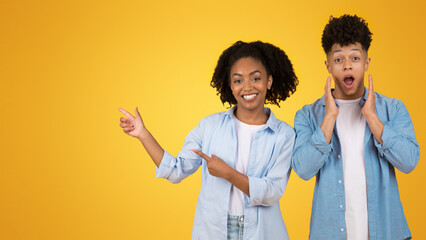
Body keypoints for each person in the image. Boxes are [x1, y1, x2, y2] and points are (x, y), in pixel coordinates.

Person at [119, 41, 298, 240]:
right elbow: (175, 171)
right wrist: (143, 134)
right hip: (214, 231)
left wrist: (228, 173)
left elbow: (271, 192)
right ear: (230, 86)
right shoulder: (209, 127)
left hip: (262, 233)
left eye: (255, 78)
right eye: (238, 80)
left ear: (269, 81)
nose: (247, 87)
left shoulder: (284, 135)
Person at [291, 14, 420, 240]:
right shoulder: (308, 115)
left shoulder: (392, 109)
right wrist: (329, 117)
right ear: (328, 65)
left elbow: (409, 161)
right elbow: (302, 169)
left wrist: (372, 117)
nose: (347, 65)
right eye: (339, 59)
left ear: (367, 62)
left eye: (355, 58)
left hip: (387, 233)